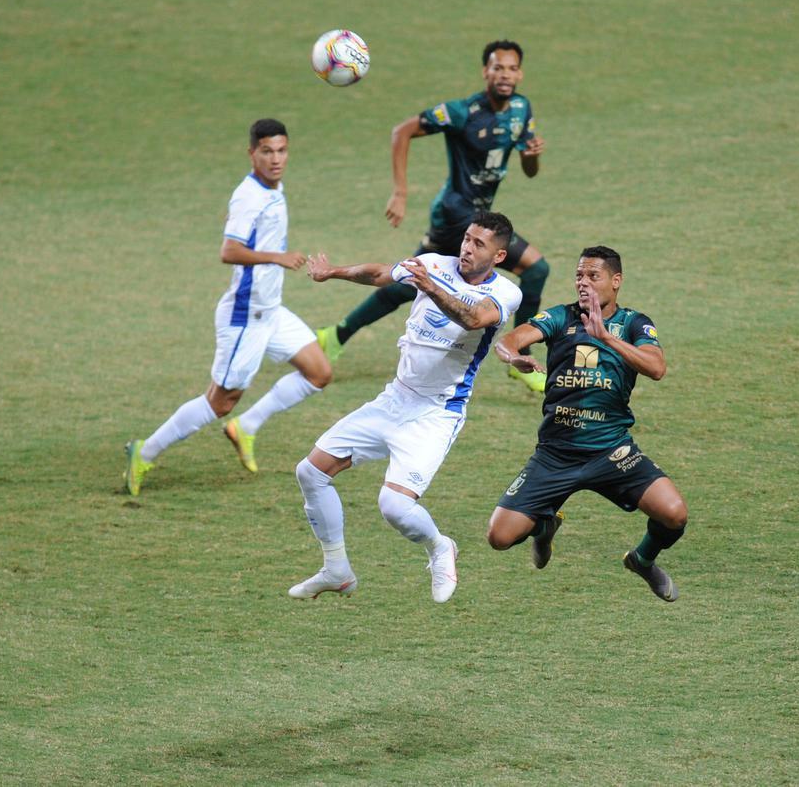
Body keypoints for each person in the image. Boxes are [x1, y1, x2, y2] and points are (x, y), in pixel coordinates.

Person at [291, 211, 523, 603]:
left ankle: (440, 547)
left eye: (479, 244)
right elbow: (381, 274)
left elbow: (473, 319)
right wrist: (333, 273)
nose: (466, 248)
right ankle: (336, 569)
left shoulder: (505, 293)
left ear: (498, 257)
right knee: (311, 472)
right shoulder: (433, 263)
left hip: (436, 413)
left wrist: (430, 287)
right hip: (393, 399)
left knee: (394, 507)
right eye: (467, 238)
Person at [315, 39, 550, 393]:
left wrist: (531, 154)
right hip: (457, 217)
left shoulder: (520, 108)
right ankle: (521, 353)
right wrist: (400, 191)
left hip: (477, 220)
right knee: (536, 268)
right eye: (497, 67)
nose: (505, 74)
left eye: (512, 68)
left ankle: (335, 335)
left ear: (520, 72)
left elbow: (530, 170)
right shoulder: (461, 112)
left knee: (410, 281)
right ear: (485, 71)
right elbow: (402, 131)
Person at [123, 119, 332, 494]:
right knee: (220, 402)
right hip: (245, 316)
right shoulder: (249, 196)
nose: (276, 159)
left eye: (281, 150)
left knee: (318, 372)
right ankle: (145, 451)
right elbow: (228, 251)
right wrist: (277, 257)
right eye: (266, 151)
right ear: (251, 153)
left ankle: (246, 427)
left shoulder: (271, 188)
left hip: (271, 310)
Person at [486, 246, 689, 601]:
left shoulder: (633, 324)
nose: (583, 283)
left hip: (610, 451)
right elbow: (509, 340)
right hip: (555, 454)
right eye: (579, 275)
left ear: (616, 281)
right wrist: (514, 357)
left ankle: (642, 560)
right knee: (499, 538)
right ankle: (544, 525)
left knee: (674, 515)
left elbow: (656, 368)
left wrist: (606, 337)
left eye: (593, 276)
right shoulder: (560, 318)